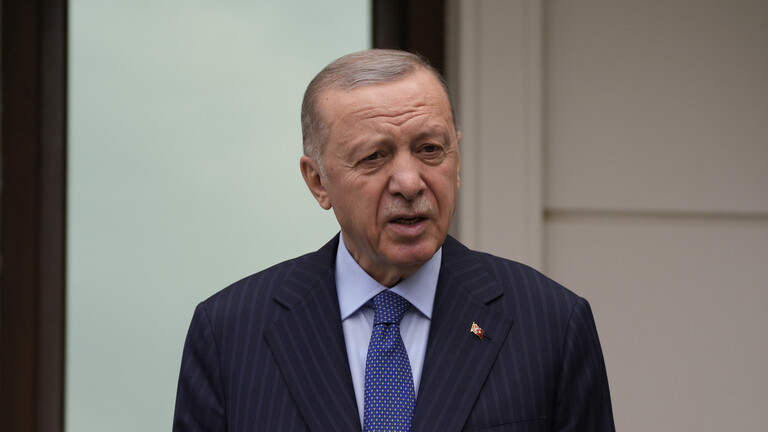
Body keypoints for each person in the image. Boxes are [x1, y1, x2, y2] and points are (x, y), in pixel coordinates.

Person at [173, 49, 615, 432]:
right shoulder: (229, 334)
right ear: (318, 182)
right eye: (374, 156)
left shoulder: (552, 324)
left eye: (429, 150)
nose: (409, 182)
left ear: (457, 160)